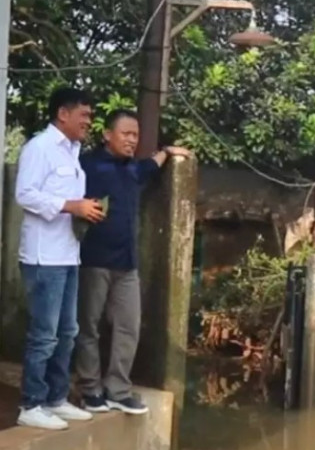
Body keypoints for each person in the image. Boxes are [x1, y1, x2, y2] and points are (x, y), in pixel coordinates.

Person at [75, 109, 191, 415]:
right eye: (125, 133)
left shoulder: (133, 170)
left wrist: (166, 152)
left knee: (129, 327)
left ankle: (118, 389)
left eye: (135, 135)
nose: (131, 140)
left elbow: (151, 166)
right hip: (93, 260)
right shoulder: (86, 165)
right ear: (107, 135)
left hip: (127, 264)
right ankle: (89, 389)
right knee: (88, 327)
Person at [15, 87, 104, 430]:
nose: (88, 121)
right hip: (43, 256)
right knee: (45, 334)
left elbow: (64, 198)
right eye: (84, 115)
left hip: (68, 253)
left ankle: (56, 398)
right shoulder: (40, 148)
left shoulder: (72, 152)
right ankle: (31, 404)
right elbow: (25, 194)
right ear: (63, 114)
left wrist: (87, 210)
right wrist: (72, 206)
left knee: (68, 331)